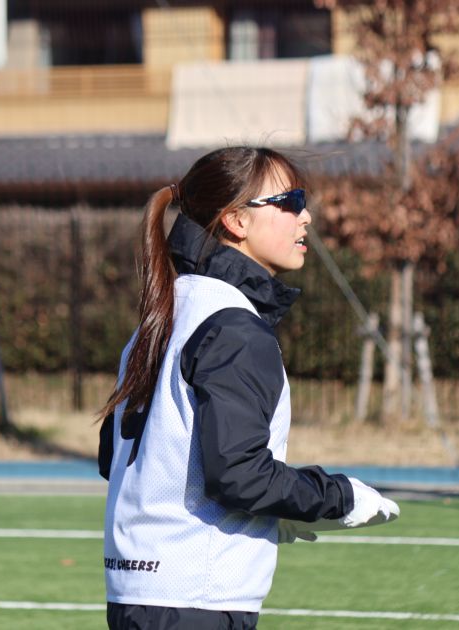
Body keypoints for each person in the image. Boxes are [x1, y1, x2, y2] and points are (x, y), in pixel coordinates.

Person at [97, 146, 399, 630]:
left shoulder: (165, 315)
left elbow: (116, 456)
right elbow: (239, 475)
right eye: (290, 202)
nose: (306, 216)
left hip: (140, 593)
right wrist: (339, 497)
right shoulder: (231, 325)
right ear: (237, 220)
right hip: (195, 599)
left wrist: (276, 508)